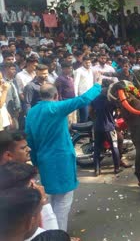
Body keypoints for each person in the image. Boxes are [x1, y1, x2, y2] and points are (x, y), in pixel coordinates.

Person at [25, 82, 101, 231]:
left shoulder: (32, 112)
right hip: (61, 160)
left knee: (53, 198)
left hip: (43, 160)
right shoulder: (56, 108)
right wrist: (97, 85)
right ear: (56, 96)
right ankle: (59, 235)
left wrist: (35, 161)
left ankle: (52, 232)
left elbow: (29, 141)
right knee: (63, 202)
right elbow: (83, 99)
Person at [91, 80, 130, 176]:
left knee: (97, 148)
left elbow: (90, 112)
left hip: (97, 127)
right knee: (114, 147)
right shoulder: (111, 100)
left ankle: (97, 170)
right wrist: (113, 119)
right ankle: (116, 168)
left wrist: (95, 119)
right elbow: (117, 112)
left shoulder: (95, 99)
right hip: (109, 127)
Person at [74, 56, 95, 122]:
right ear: (83, 62)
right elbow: (75, 84)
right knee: (84, 115)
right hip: (83, 96)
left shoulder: (91, 70)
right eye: (86, 63)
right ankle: (82, 130)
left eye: (89, 62)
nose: (88, 64)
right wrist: (76, 96)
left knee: (91, 114)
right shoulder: (78, 71)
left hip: (91, 95)